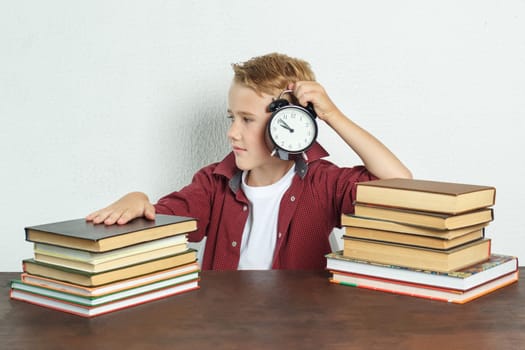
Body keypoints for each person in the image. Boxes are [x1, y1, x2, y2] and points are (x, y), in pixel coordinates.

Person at [86, 52, 412, 270]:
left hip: (300, 332)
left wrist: (331, 115)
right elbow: (162, 221)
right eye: (232, 117)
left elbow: (400, 185)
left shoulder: (322, 183)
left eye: (246, 119)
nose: (232, 132)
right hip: (227, 329)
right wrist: (138, 201)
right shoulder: (213, 182)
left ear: (289, 122)